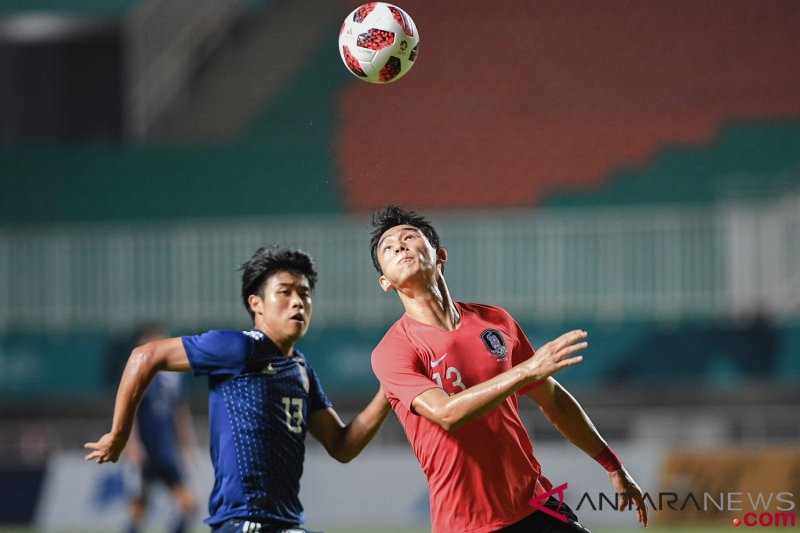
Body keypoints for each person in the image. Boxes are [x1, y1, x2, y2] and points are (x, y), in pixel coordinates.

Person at [368, 205, 648, 533]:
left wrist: (612, 465)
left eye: (409, 237)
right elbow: (445, 414)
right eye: (387, 247)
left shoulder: (495, 321)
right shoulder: (393, 349)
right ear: (385, 282)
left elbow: (554, 400)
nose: (399, 246)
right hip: (466, 525)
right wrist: (525, 371)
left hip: (535, 504)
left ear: (440, 254)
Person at [86, 246, 391, 533]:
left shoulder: (301, 369)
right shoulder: (238, 347)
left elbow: (341, 446)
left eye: (305, 294)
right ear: (255, 303)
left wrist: (389, 390)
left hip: (286, 522)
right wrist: (120, 433)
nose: (298, 302)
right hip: (244, 522)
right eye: (285, 292)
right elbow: (144, 355)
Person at [122, 322, 197, 533]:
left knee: (189, 505)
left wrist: (185, 447)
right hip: (144, 452)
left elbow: (179, 414)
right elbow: (129, 412)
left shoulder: (172, 377)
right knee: (138, 509)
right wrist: (133, 445)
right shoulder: (137, 373)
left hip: (165, 452)